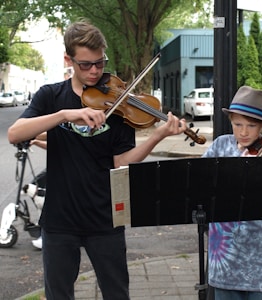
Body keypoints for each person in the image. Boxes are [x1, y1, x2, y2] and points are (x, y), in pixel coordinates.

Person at [7, 20, 187, 300]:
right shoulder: (51, 96)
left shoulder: (119, 102)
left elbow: (121, 162)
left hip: (105, 218)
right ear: (68, 59)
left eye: (100, 63)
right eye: (85, 64)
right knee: (59, 295)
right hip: (59, 219)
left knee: (117, 294)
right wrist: (65, 114)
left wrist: (158, 136)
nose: (94, 71)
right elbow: (14, 133)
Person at [202, 86, 262, 300]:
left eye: (251, 126)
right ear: (230, 122)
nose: (244, 132)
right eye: (238, 124)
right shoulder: (221, 146)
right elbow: (200, 182)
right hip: (225, 259)